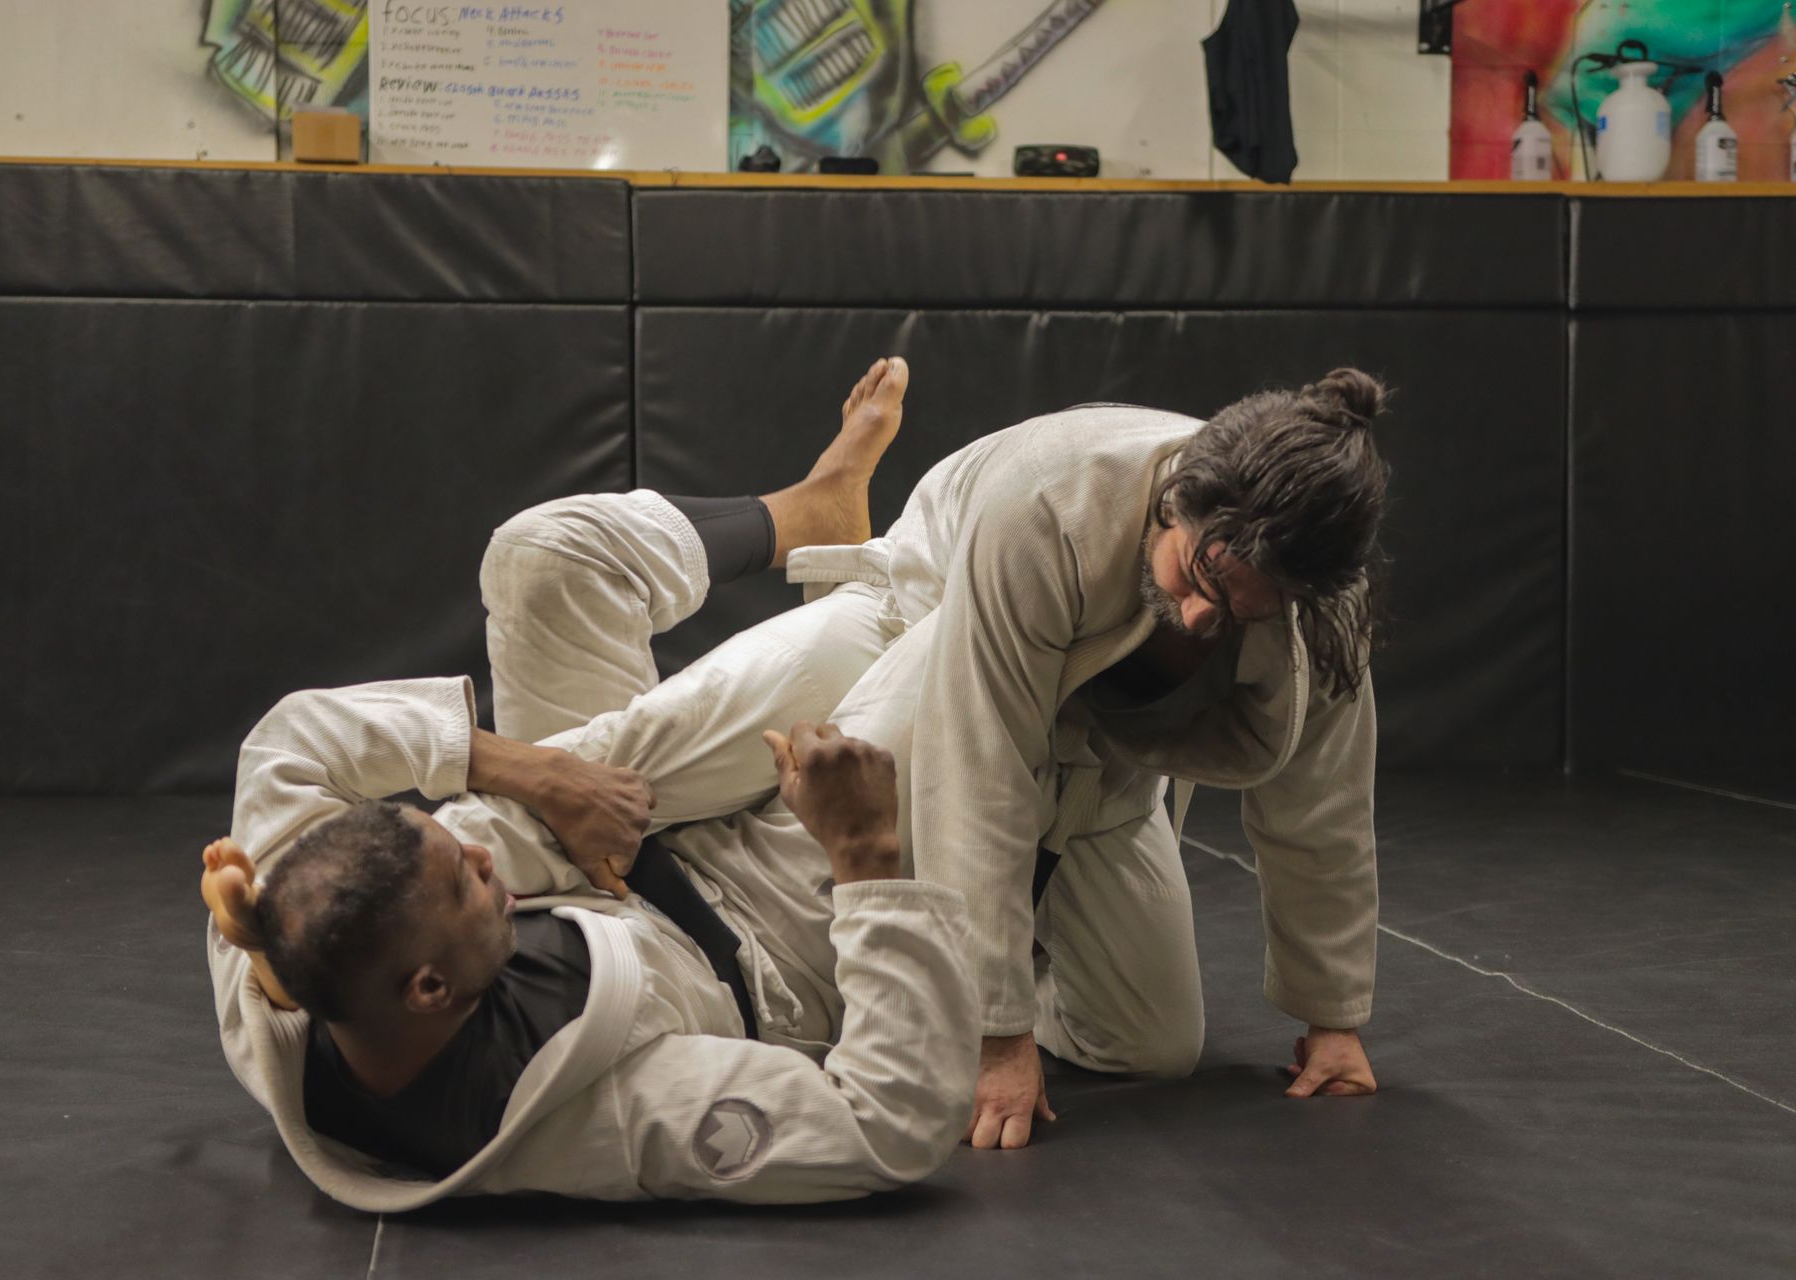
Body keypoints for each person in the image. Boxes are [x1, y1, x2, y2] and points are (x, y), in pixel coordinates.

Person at [201, 359, 984, 1210]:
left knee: (544, 555)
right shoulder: (586, 1114)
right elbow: (886, 1126)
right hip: (768, 935)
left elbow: (291, 741)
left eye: (456, 844)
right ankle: (941, 610)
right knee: (963, 647)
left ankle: (817, 512)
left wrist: (541, 773)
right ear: (428, 990)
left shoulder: (281, 935)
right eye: (466, 878)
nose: (478, 853)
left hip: (610, 821)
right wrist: (865, 857)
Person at [794, 370, 1393, 1149]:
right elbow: (981, 769)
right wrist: (996, 1032)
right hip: (928, 631)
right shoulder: (1051, 507)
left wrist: (1333, 1018)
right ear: (1177, 501)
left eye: (1249, 605)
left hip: (1103, 743)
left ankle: (1010, 942)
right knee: (808, 933)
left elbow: (1323, 807)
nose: (1205, 615)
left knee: (1153, 1046)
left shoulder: (1320, 602)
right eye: (1203, 574)